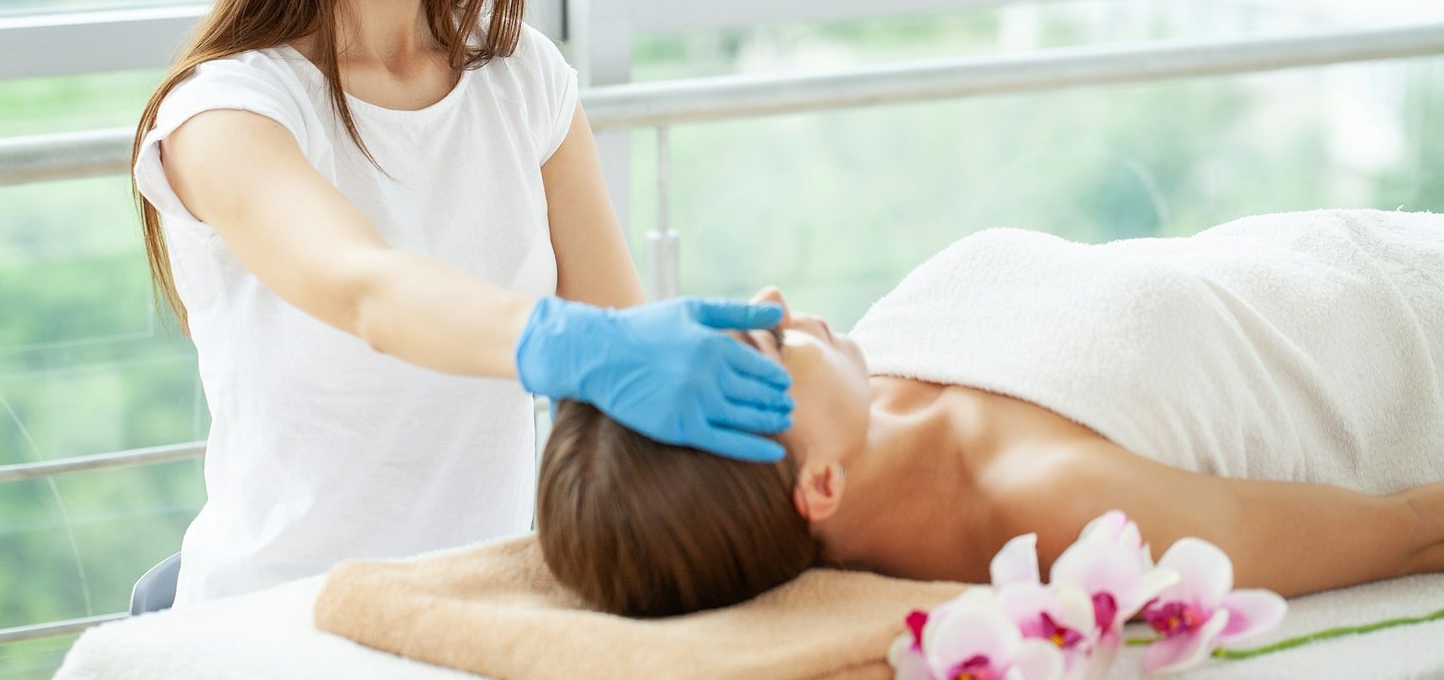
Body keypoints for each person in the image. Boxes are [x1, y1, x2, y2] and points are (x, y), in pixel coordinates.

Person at [130, 0, 792, 606]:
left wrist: (734, 375)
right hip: (278, 627)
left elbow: (618, 360)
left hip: (480, 611)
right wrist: (571, 345)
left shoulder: (523, 78)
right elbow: (369, 291)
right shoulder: (227, 113)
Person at [537, 209, 1444, 618]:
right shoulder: (1062, 507)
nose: (774, 300)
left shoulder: (876, 376)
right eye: (767, 345)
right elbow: (1404, 535)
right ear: (818, 482)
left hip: (1352, 245)